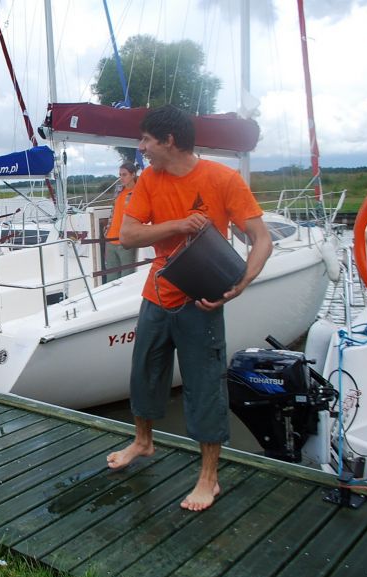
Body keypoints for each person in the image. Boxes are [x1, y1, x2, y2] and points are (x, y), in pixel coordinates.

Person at [107, 104, 272, 512]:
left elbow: (262, 238)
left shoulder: (222, 179)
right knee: (144, 371)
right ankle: (143, 442)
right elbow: (128, 236)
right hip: (157, 295)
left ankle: (209, 478)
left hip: (203, 297)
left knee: (205, 386)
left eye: (147, 140)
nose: (141, 147)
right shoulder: (148, 182)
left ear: (169, 141)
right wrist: (180, 224)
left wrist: (240, 284)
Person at [103, 161, 139, 283]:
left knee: (126, 278)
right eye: (120, 175)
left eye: (124, 174)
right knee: (110, 278)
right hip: (110, 238)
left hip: (126, 241)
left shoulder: (139, 192)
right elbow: (113, 213)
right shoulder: (118, 191)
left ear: (133, 174)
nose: (121, 178)